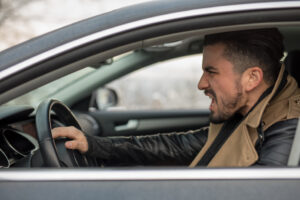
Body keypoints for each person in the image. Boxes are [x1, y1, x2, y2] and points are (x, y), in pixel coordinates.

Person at [52, 28, 300, 167]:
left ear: (252, 79)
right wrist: (95, 145)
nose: (201, 84)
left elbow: (264, 190)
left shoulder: (288, 128)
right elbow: (185, 146)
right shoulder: (249, 110)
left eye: (211, 72)